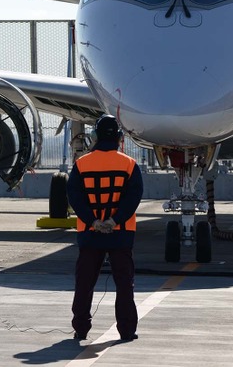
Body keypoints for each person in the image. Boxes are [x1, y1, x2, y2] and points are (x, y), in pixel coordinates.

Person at [67, 114, 144, 342]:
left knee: (84, 283)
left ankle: (81, 328)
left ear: (95, 137)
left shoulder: (81, 164)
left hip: (90, 234)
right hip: (121, 234)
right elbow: (133, 198)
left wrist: (93, 221)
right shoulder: (129, 165)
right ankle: (127, 330)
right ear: (120, 137)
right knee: (124, 283)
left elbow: (75, 197)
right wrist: (115, 221)